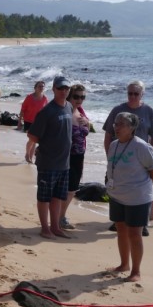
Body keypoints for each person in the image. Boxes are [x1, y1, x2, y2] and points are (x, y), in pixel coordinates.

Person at [106, 112, 153, 282]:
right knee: (121, 230)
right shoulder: (114, 144)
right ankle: (124, 264)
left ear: (132, 128)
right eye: (116, 123)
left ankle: (136, 271)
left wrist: (141, 186)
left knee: (134, 234)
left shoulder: (142, 146)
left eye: (122, 124)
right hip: (117, 195)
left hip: (138, 197)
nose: (117, 126)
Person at [103, 80, 153, 236]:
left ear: (142, 94)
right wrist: (110, 156)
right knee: (115, 186)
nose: (132, 96)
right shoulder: (118, 110)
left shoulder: (149, 112)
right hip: (118, 157)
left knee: (142, 189)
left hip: (141, 157)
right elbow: (108, 134)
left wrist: (152, 152)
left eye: (136, 93)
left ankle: (142, 224)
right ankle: (118, 221)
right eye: (130, 93)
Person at [26, 76, 73, 239]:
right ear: (53, 89)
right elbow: (32, 134)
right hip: (48, 162)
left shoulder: (69, 107)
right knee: (45, 197)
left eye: (66, 88)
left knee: (58, 197)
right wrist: (46, 144)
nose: (64, 91)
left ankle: (55, 226)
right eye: (60, 88)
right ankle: (45, 228)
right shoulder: (47, 111)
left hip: (64, 163)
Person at [60, 84, 91, 230]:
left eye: (83, 97)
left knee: (72, 188)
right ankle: (59, 217)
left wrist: (88, 124)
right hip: (65, 156)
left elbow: (87, 131)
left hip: (79, 155)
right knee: (64, 188)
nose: (80, 100)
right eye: (76, 96)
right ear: (69, 96)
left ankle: (61, 215)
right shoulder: (64, 111)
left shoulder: (81, 111)